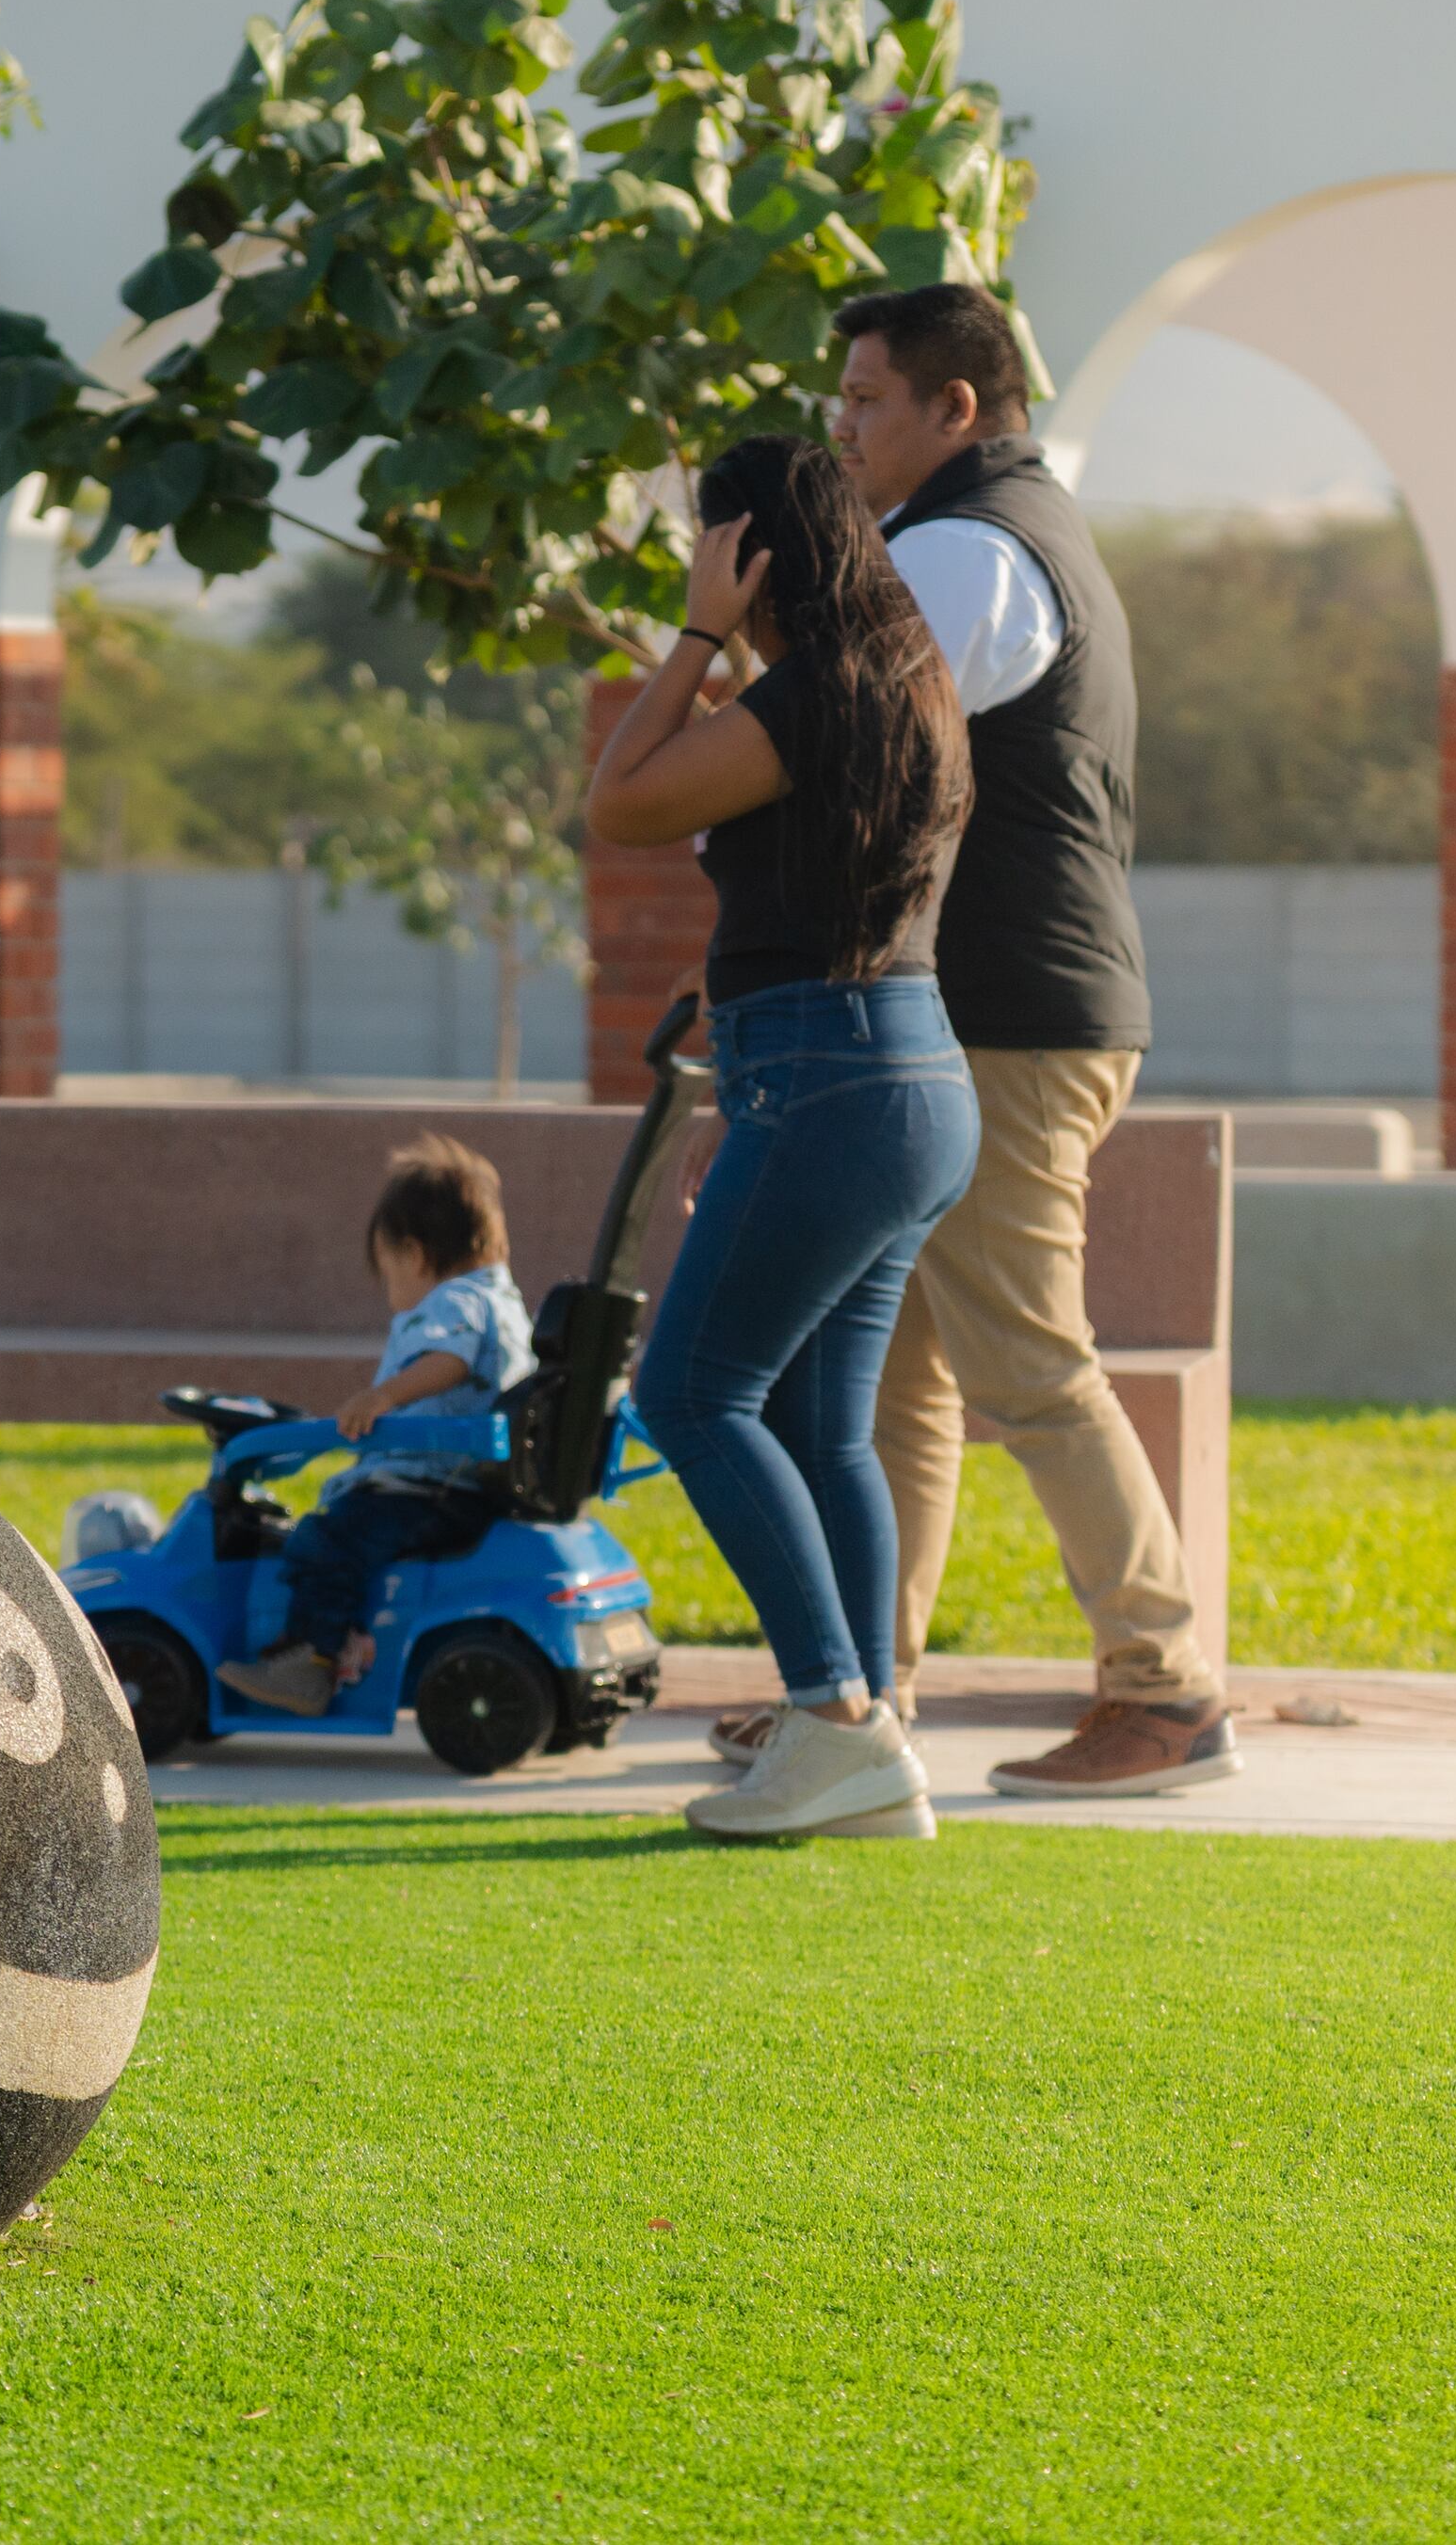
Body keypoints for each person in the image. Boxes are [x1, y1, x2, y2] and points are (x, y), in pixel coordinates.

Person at [820, 280, 1236, 1799]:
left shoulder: (969, 549)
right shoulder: (989, 532)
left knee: (1026, 1359)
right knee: (908, 1371)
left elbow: (843, 731)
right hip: (997, 1010)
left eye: (870, 401)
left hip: (1009, 1020)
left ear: (957, 408)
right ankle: (862, 1691)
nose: (845, 427)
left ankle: (1164, 1683)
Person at [589, 433, 977, 1841]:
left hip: (833, 1077)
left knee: (690, 1393)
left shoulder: (809, 692)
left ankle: (835, 1718)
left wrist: (693, 630)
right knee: (822, 1424)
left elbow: (621, 803)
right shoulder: (902, 684)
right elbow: (809, 878)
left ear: (748, 551)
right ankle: (870, 1733)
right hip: (902, 1082)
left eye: (716, 547)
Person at [216, 1135, 539, 1715]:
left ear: (414, 1255)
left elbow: (450, 1361)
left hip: (427, 1487)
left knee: (326, 1540)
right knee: (344, 1528)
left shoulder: (451, 1302)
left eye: (388, 1276)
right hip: (464, 1488)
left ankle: (310, 1664)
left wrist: (383, 1395)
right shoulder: (507, 1301)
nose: (394, 1300)